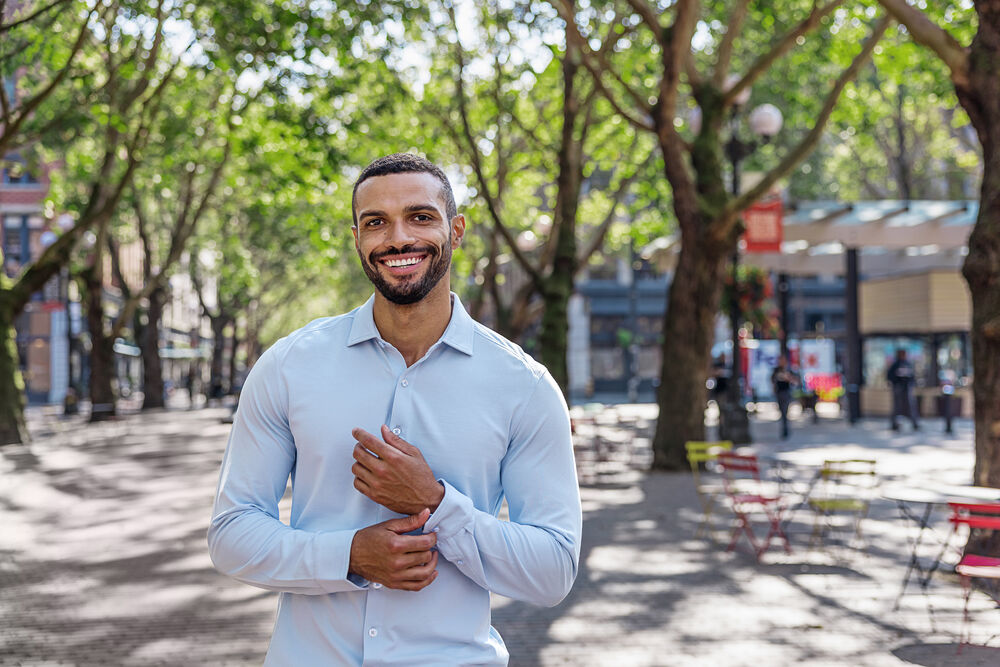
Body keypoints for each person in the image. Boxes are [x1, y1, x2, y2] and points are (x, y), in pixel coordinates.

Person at [207, 153, 582, 666]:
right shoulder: (288, 366)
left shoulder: (524, 386)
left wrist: (436, 503)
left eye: (420, 217)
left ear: (456, 231)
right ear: (357, 239)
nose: (398, 238)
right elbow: (232, 533)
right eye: (375, 222)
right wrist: (349, 556)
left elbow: (553, 571)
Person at [887, 348, 919, 431]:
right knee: (897, 406)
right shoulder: (895, 365)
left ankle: (914, 423)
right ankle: (895, 423)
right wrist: (897, 382)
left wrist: (910, 382)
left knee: (911, 406)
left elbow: (912, 376)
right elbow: (889, 376)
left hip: (907, 388)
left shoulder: (908, 364)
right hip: (898, 388)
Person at [770, 355, 795, 439]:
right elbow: (772, 380)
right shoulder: (776, 370)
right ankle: (784, 428)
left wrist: (788, 378)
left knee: (785, 411)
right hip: (779, 393)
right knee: (782, 411)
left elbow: (793, 381)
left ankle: (785, 429)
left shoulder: (788, 370)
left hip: (786, 393)